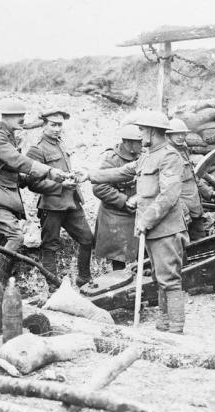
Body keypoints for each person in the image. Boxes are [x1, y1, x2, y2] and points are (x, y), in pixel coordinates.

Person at [76, 110, 189, 334]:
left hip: (165, 229)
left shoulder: (170, 156)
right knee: (159, 277)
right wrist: (90, 175)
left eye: (142, 130)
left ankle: (175, 326)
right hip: (152, 229)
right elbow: (122, 172)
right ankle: (164, 321)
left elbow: (168, 196)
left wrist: (145, 220)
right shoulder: (147, 156)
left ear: (153, 132)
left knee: (170, 279)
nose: (139, 134)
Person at [0, 100, 67, 286]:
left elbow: (14, 172)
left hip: (7, 195)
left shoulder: (9, 136)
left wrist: (42, 179)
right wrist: (48, 171)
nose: (23, 120)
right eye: (19, 116)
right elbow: (16, 160)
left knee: (4, 241)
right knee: (16, 237)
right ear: (7, 117)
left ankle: (6, 281)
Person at [26, 109, 94, 290]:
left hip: (72, 203)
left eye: (60, 125)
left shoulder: (60, 144)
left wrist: (73, 177)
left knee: (87, 239)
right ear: (43, 124)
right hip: (52, 205)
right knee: (50, 246)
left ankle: (83, 279)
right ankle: (53, 287)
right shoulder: (37, 149)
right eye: (53, 125)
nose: (57, 129)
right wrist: (60, 186)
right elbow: (32, 184)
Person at [92, 124, 143, 270]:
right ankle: (119, 284)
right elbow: (99, 187)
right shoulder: (112, 160)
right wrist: (123, 200)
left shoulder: (142, 156)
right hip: (115, 215)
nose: (142, 145)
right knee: (118, 256)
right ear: (127, 143)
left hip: (136, 212)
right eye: (138, 142)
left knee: (142, 253)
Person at [166, 118, 215, 240]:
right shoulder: (168, 155)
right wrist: (184, 211)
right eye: (176, 133)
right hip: (182, 214)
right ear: (168, 134)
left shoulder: (183, 150)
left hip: (194, 209)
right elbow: (169, 190)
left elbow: (193, 178)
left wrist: (209, 193)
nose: (180, 136)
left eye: (182, 133)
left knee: (201, 242)